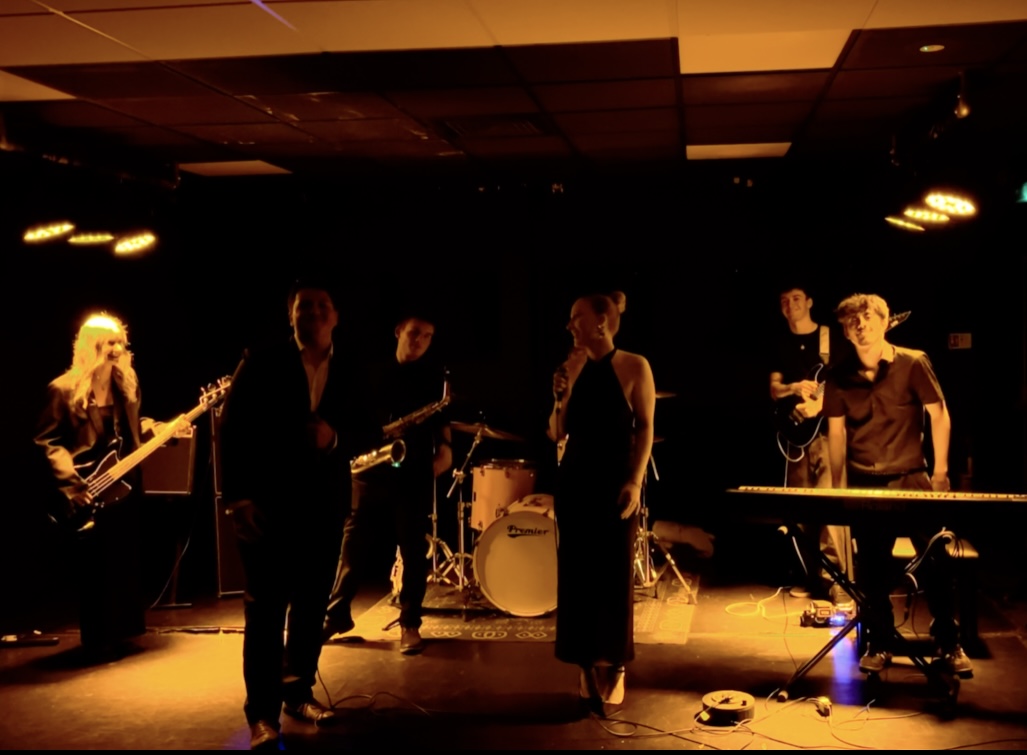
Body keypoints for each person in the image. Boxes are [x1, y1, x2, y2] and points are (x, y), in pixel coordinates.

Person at [219, 279, 380, 750]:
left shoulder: (352, 367)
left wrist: (335, 438)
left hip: (323, 507)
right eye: (304, 306)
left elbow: (370, 431)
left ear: (336, 316)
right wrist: (238, 499)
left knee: (310, 608)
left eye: (322, 305)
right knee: (265, 613)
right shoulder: (260, 361)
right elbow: (232, 429)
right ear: (290, 316)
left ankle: (298, 692)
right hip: (267, 506)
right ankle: (262, 715)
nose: (313, 312)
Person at [824, 293, 971, 676]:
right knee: (872, 568)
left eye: (868, 318)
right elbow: (836, 434)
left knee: (936, 560)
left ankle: (949, 643)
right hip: (864, 482)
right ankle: (880, 642)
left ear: (885, 322)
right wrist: (837, 488)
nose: (860, 325)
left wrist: (940, 472)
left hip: (911, 478)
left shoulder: (913, 362)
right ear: (845, 331)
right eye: (852, 321)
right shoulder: (838, 376)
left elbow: (939, 414)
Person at [548, 291, 655, 710]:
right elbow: (556, 431)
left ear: (601, 322)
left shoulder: (634, 365)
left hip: (615, 481)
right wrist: (559, 396)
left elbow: (645, 427)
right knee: (577, 576)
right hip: (575, 481)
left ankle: (615, 663)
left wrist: (635, 480)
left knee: (613, 575)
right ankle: (584, 665)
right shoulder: (570, 367)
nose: (569, 325)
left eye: (576, 317)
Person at [323, 312, 452, 654]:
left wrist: (446, 449)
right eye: (414, 333)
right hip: (371, 468)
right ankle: (336, 615)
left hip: (413, 472)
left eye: (427, 336)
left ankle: (410, 623)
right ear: (398, 331)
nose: (420, 341)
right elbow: (352, 416)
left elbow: (442, 418)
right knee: (352, 546)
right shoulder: (371, 373)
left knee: (413, 551)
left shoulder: (433, 377)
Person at [33, 313, 147, 658]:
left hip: (122, 483)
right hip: (85, 486)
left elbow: (132, 428)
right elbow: (47, 441)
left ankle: (122, 632)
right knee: (96, 566)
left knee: (123, 559)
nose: (117, 349)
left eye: (120, 343)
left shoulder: (127, 384)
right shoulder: (63, 389)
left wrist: (160, 428)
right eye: (109, 343)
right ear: (90, 346)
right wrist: (71, 485)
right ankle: (98, 639)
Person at [768, 284, 852, 607]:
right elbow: (774, 389)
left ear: (810, 302)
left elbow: (843, 380)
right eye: (784, 301)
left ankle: (837, 582)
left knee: (830, 506)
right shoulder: (780, 343)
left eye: (796, 299)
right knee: (800, 510)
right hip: (796, 436)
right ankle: (810, 576)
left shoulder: (830, 338)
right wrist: (794, 388)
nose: (790, 305)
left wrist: (819, 403)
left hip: (828, 434)